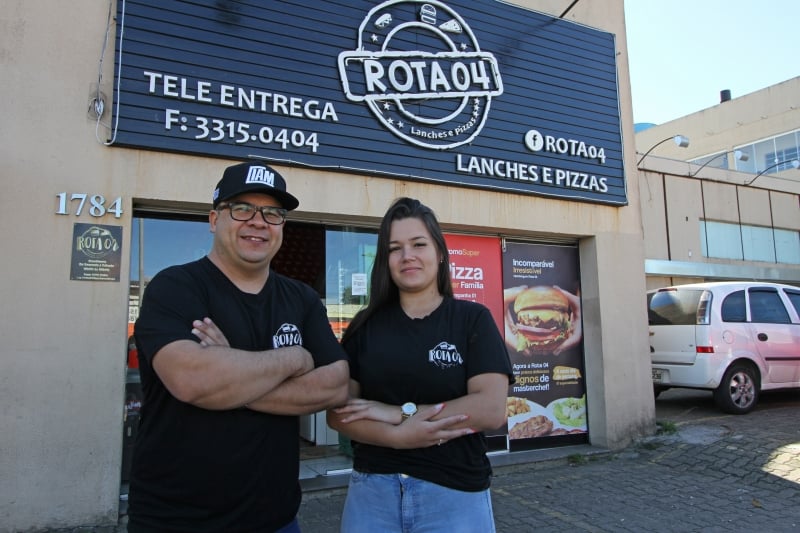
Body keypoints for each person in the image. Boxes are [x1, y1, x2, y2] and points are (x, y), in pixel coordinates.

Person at [128, 161, 349, 533]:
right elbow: (193, 381)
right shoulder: (175, 288)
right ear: (214, 219)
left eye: (272, 213)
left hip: (277, 519)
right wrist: (295, 357)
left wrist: (228, 374)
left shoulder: (302, 299)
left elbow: (337, 385)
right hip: (176, 521)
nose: (258, 222)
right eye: (242, 208)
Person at [327, 197, 514, 533]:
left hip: (454, 491)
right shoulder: (364, 326)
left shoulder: (472, 320)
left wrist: (398, 413)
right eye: (394, 248)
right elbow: (339, 413)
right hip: (373, 492)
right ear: (385, 260)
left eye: (418, 244)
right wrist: (398, 437)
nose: (407, 255)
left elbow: (490, 409)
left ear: (439, 253)